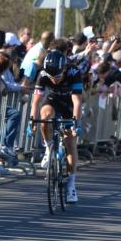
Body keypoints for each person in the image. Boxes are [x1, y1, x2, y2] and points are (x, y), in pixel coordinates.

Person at [30, 50, 83, 203]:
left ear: (64, 69)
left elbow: (77, 102)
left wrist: (76, 123)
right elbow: (36, 101)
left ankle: (71, 184)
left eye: (58, 77)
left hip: (69, 104)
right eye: (51, 77)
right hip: (52, 100)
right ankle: (48, 147)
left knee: (70, 141)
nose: (54, 80)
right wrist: (31, 121)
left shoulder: (74, 72)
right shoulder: (43, 74)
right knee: (45, 117)